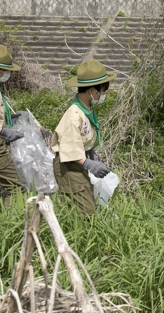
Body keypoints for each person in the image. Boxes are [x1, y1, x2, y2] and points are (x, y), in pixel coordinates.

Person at [51, 60, 116, 215]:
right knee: (85, 212)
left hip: (78, 163)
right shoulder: (74, 115)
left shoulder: (86, 109)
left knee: (84, 203)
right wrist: (89, 164)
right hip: (68, 166)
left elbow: (81, 138)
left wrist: (90, 152)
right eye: (103, 91)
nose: (104, 95)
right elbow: (69, 149)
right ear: (92, 91)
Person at [0, 45, 24, 210]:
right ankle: (9, 230)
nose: (7, 74)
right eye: (4, 70)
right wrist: (4, 131)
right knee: (15, 187)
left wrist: (6, 119)